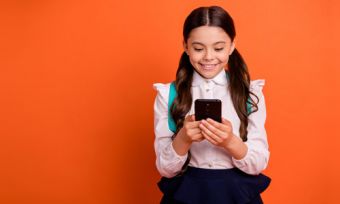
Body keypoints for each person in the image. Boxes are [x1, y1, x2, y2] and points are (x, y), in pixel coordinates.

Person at [153, 6, 271, 204]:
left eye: (218, 48)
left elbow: (258, 164)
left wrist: (230, 142)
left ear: (232, 45)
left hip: (237, 193)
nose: (208, 57)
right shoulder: (167, 95)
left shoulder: (250, 93)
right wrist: (183, 138)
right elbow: (165, 169)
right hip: (186, 193)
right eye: (198, 48)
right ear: (185, 46)